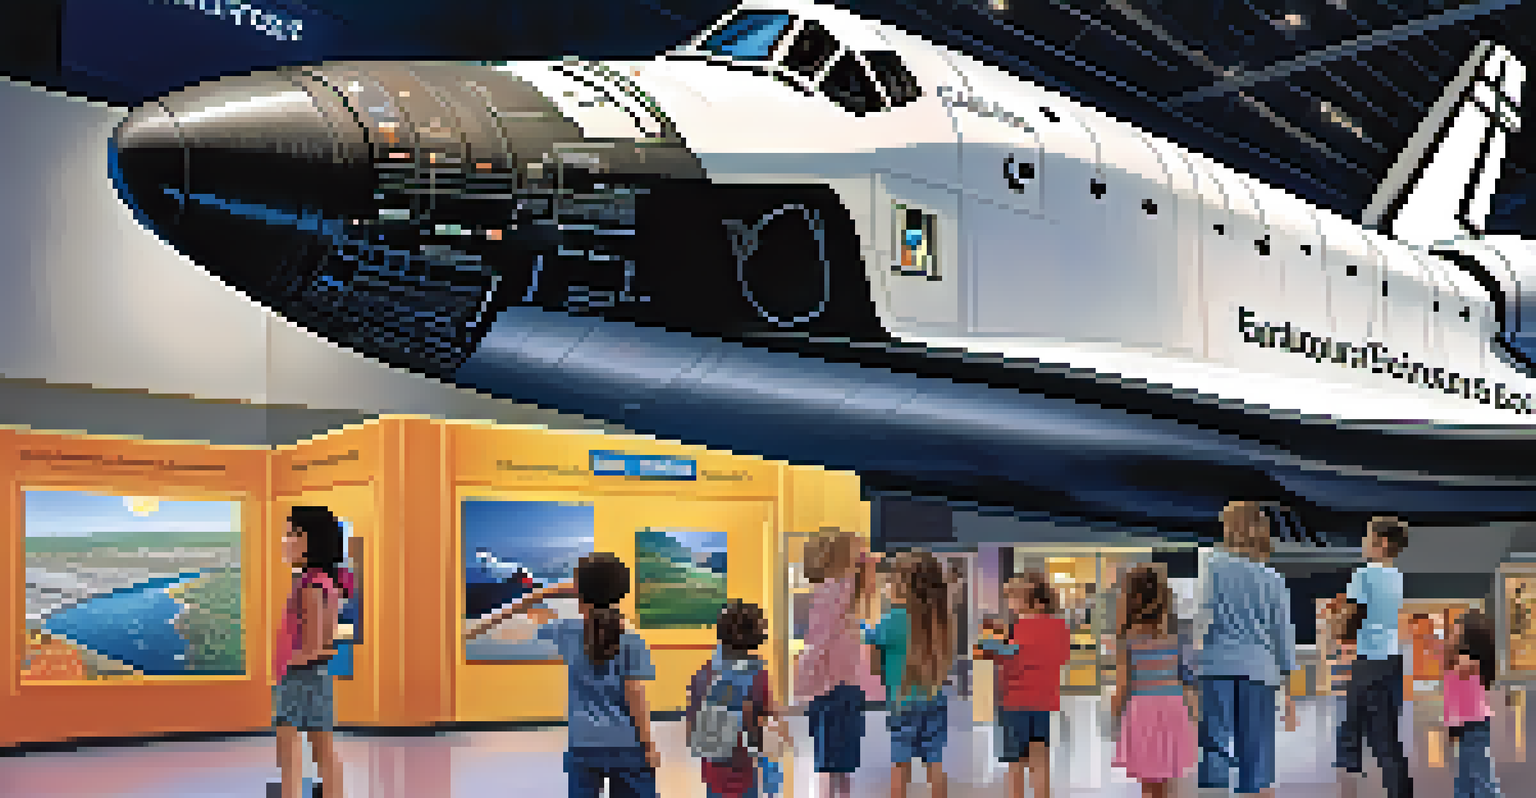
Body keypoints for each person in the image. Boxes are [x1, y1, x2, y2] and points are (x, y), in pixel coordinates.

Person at [496, 552, 659, 798]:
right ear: (622, 591)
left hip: (583, 743)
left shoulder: (567, 632)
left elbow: (529, 609)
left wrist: (546, 592)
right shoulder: (633, 638)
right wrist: (648, 746)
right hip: (626, 743)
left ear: (579, 593)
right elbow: (635, 693)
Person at [1194, 501, 1298, 798]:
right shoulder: (1274, 579)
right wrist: (1288, 690)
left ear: (1229, 528)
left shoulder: (1210, 563)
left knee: (1215, 748)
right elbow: (1283, 635)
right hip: (1260, 671)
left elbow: (1201, 614)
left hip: (1215, 666)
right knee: (1257, 751)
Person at [273, 506, 355, 798]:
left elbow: (313, 646)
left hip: (299, 676)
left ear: (313, 540)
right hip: (315, 676)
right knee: (322, 749)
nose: (285, 541)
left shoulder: (309, 585)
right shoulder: (328, 583)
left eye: (293, 534)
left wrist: (281, 667)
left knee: (289, 748)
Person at [795, 529, 883, 798]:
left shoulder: (832, 590)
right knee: (837, 762)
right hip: (835, 689)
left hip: (837, 689)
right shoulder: (835, 588)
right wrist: (866, 562)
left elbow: (865, 590)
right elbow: (819, 642)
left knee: (833, 762)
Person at [863, 550, 955, 798]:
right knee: (934, 761)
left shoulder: (891, 620)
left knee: (900, 763)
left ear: (903, 587)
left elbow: (870, 649)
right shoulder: (942, 621)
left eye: (891, 581)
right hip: (935, 698)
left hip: (902, 701)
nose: (887, 587)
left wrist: (862, 626)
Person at [974, 571, 1069, 798]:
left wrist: (988, 643)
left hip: (1014, 702)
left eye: (1014, 598)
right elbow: (1063, 656)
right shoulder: (1059, 626)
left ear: (1035, 602)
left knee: (1015, 762)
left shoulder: (1020, 628)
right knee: (1040, 756)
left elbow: (1002, 656)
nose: (1010, 604)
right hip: (1043, 701)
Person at [1336, 516, 1412, 798]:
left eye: (1368, 536)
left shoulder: (1364, 574)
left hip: (1370, 660)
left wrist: (1341, 633)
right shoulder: (1396, 577)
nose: (1364, 542)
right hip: (1392, 659)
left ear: (1381, 542)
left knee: (1355, 731)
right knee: (1387, 736)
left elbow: (1354, 614)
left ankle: (1351, 776)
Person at [1112, 564, 1197, 798]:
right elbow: (1187, 676)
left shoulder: (1127, 636)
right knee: (1166, 782)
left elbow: (1122, 684)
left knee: (1147, 783)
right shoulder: (1178, 633)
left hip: (1142, 710)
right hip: (1173, 707)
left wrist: (1112, 716)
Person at [688, 599, 780, 798]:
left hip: (714, 762)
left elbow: (692, 720)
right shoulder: (757, 674)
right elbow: (767, 716)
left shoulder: (705, 672)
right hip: (745, 761)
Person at [1443, 609, 1501, 797]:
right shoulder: (1461, 660)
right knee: (1465, 781)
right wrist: (1452, 728)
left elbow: (1450, 659)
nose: (1451, 634)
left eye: (1456, 630)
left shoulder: (1467, 662)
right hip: (1465, 725)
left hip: (1474, 725)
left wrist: (1450, 643)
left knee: (1483, 781)